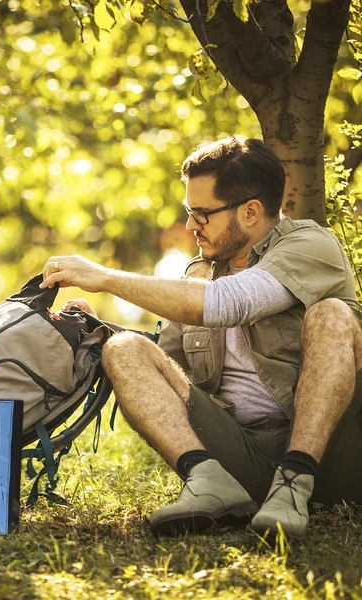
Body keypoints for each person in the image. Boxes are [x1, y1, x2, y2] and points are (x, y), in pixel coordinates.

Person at [40, 136, 362, 539]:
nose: (191, 226)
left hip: (334, 452)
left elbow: (230, 303)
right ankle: (210, 483)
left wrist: (104, 278)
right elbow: (163, 360)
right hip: (246, 451)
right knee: (123, 349)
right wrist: (103, 331)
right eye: (189, 213)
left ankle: (294, 481)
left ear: (250, 212)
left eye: (202, 214)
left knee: (332, 314)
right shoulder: (201, 272)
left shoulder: (310, 245)